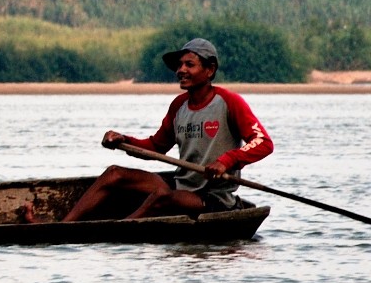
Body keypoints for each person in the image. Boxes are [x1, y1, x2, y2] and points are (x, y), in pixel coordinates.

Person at [60, 38, 273, 222]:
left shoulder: (228, 102)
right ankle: (62, 226)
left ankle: (117, 229)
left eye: (190, 64)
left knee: (162, 197)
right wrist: (123, 140)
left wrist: (226, 161)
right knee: (115, 174)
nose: (181, 70)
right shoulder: (178, 105)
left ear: (209, 70)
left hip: (213, 197)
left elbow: (263, 143)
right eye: (180, 65)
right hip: (181, 185)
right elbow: (155, 147)